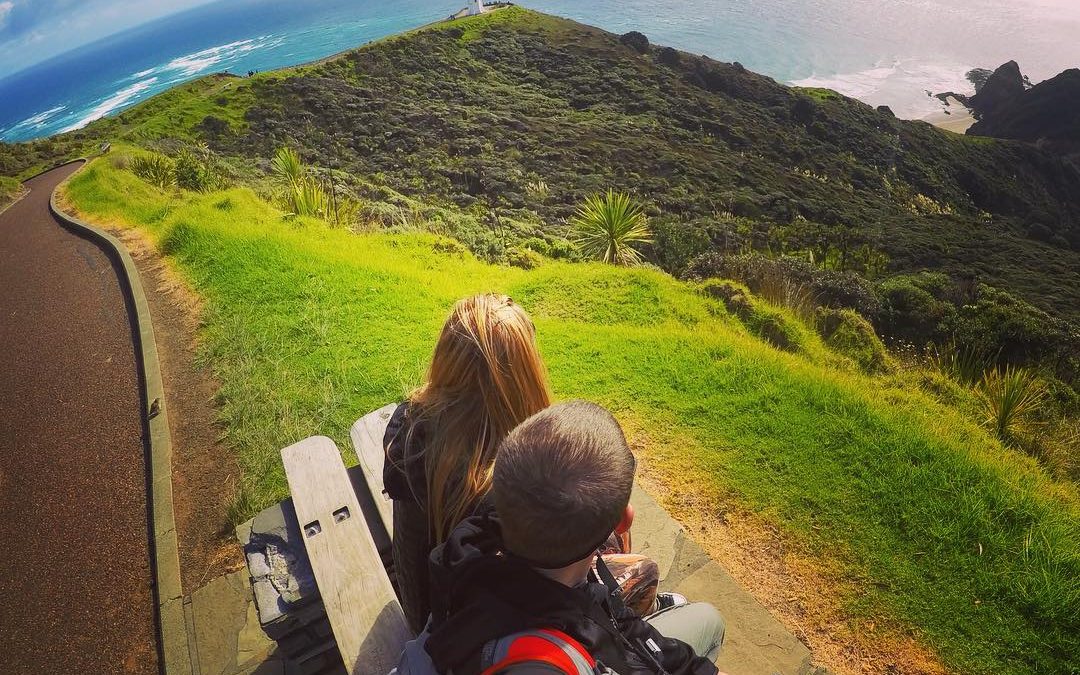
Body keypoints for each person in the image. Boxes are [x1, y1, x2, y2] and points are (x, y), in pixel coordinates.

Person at [383, 295, 670, 633]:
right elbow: (558, 559)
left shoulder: (409, 422)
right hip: (470, 626)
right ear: (525, 372)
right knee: (642, 567)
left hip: (425, 602)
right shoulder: (512, 478)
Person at [421, 400, 725, 675]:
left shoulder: (466, 549)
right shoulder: (575, 654)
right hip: (575, 644)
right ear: (623, 522)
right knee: (709, 620)